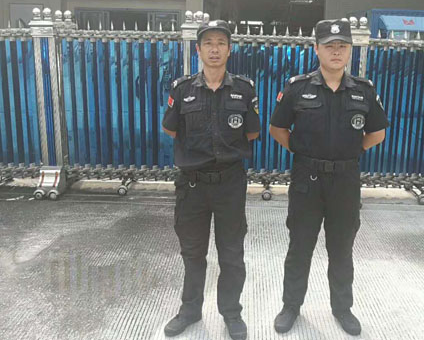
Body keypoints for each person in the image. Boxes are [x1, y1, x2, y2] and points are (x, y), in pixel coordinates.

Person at [269, 18, 388, 336]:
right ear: (317, 49)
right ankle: (291, 306)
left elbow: (377, 133)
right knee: (300, 247)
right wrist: (300, 150)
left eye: (342, 46)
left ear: (350, 50)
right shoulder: (298, 88)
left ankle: (342, 308)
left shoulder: (364, 91)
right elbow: (277, 128)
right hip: (306, 180)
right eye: (330, 46)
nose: (336, 51)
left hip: (345, 182)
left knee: (341, 249)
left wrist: (352, 152)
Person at [161, 19, 260, 340]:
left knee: (231, 254)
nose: (214, 49)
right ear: (199, 50)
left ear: (229, 50)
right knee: (193, 252)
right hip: (192, 185)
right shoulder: (183, 89)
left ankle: (231, 313)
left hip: (230, 184)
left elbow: (252, 132)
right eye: (208, 43)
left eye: (220, 43)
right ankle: (190, 310)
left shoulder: (244, 90)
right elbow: (170, 128)